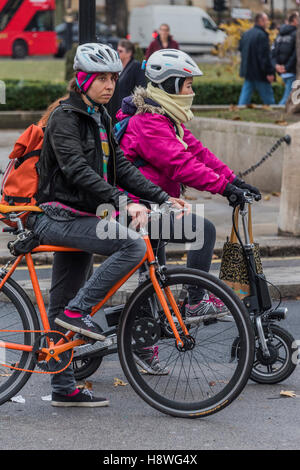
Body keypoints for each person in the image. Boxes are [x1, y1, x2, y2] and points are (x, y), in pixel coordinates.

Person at [29, 43, 188, 407]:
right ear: (82, 79)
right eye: (101, 78)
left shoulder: (100, 116)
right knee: (131, 245)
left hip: (81, 216)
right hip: (55, 216)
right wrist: (124, 203)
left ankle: (63, 387)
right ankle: (78, 312)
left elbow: (123, 170)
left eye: (113, 78)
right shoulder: (65, 118)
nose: (109, 85)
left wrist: (161, 197)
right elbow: (77, 171)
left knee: (63, 300)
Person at [115, 48, 261, 320]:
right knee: (202, 230)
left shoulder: (166, 120)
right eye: (188, 85)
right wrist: (224, 189)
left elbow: (199, 154)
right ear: (171, 84)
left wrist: (235, 181)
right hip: (130, 210)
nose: (191, 92)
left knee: (153, 281)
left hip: (152, 207)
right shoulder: (148, 123)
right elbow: (181, 164)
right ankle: (195, 302)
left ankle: (143, 349)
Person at [238, 13, 276, 106]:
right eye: (266, 20)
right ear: (261, 21)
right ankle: (274, 113)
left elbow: (240, 49)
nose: (267, 22)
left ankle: (239, 110)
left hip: (248, 71)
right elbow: (264, 56)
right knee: (269, 99)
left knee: (245, 96)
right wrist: (269, 72)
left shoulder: (246, 34)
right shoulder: (262, 35)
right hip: (260, 73)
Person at [271, 11, 299, 105]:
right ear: (295, 20)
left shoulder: (279, 35)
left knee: (292, 97)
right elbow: (296, 54)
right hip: (291, 71)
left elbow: (273, 52)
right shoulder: (296, 34)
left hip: (283, 71)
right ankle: (278, 114)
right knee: (288, 98)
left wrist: (276, 66)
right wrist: (286, 67)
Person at [117, 39, 147, 108]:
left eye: (120, 51)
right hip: (117, 106)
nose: (117, 53)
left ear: (129, 53)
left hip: (128, 107)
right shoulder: (117, 65)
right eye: (117, 50)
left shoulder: (136, 66)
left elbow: (141, 88)